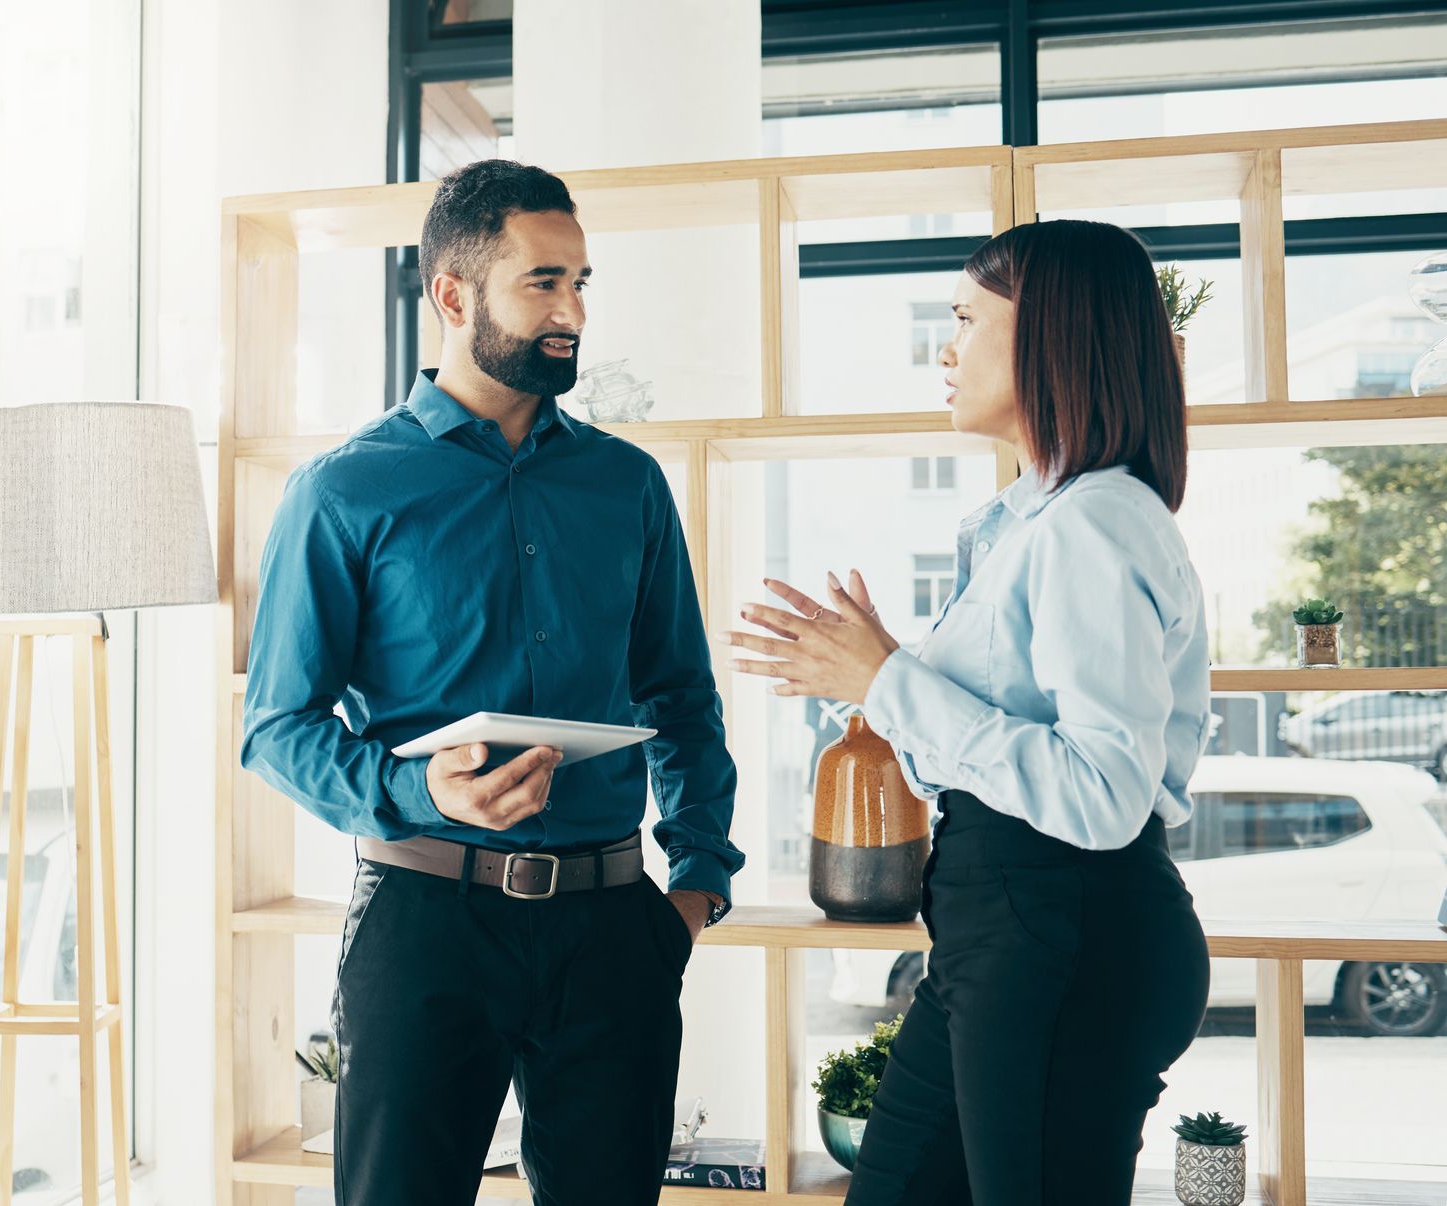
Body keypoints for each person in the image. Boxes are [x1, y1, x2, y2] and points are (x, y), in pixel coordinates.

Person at [241, 158, 743, 1206]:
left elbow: (682, 699)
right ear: (454, 294)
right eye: (544, 283)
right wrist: (426, 793)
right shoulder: (344, 491)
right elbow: (277, 726)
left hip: (614, 932)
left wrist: (694, 884)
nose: (572, 313)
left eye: (582, 284)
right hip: (427, 924)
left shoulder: (628, 485)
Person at [724, 218, 1213, 1204]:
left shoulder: (1089, 525)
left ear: (1051, 337)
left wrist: (887, 682)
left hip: (1064, 926)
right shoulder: (1033, 521)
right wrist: (882, 681)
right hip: (1006, 930)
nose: (943, 349)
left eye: (962, 319)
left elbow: (1102, 792)